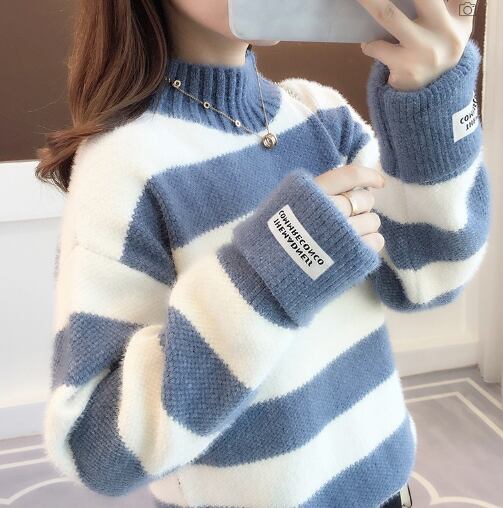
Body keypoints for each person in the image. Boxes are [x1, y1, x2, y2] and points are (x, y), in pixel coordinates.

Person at [36, 0, 489, 506]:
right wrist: (274, 268)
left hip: (388, 490)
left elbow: (429, 278)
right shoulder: (122, 166)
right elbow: (98, 451)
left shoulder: (320, 112)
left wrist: (435, 100)